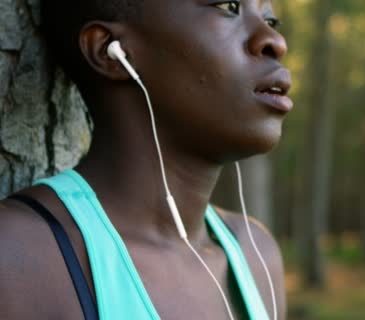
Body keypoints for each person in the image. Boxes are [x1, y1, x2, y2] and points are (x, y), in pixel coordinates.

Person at [0, 0, 291, 319]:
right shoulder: (18, 257)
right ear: (109, 51)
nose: (274, 41)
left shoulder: (256, 256)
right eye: (227, 6)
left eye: (270, 21)